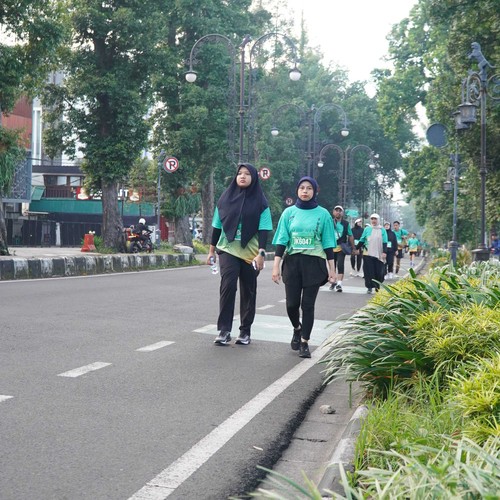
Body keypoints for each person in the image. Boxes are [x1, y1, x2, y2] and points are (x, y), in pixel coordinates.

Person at [207, 163, 272, 346]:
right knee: (228, 286)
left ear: (254, 178)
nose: (242, 176)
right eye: (239, 173)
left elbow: (264, 230)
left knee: (248, 290)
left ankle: (245, 331)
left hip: (250, 254)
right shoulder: (224, 199)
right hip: (228, 249)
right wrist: (211, 251)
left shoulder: (261, 203)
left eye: (247, 174)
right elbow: (217, 227)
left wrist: (261, 254)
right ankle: (224, 330)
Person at [272, 177, 336, 358]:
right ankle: (297, 328)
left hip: (314, 264)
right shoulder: (289, 213)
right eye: (302, 188)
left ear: (315, 191)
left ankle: (305, 342)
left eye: (309, 188)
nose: (305, 191)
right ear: (297, 191)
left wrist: (332, 270)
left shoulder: (323, 214)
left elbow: (328, 243)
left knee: (308, 305)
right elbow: (281, 241)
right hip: (292, 263)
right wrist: (276, 266)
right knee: (292, 304)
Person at [356, 213, 388, 294]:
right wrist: (356, 248)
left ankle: (377, 286)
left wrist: (384, 252)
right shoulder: (367, 229)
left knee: (379, 271)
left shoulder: (382, 230)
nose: (373, 221)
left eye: (375, 219)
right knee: (368, 271)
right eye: (372, 219)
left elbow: (385, 242)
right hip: (367, 253)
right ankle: (369, 287)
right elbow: (362, 240)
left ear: (378, 220)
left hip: (378, 254)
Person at [329, 205, 355, 292]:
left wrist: (353, 248)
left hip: (341, 248)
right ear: (333, 212)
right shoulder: (329, 222)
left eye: (340, 211)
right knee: (332, 266)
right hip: (331, 248)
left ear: (342, 213)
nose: (338, 212)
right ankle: (333, 281)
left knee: (340, 265)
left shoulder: (346, 224)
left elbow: (350, 235)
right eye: (336, 210)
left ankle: (339, 284)